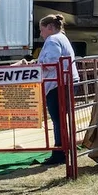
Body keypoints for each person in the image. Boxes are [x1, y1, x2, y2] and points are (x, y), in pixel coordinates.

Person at [36, 13, 79, 166]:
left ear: (50, 27)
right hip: (68, 81)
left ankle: (59, 152)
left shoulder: (52, 39)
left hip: (58, 83)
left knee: (57, 119)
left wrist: (38, 65)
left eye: (42, 30)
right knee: (61, 119)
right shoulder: (62, 38)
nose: (41, 34)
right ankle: (64, 149)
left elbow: (51, 61)